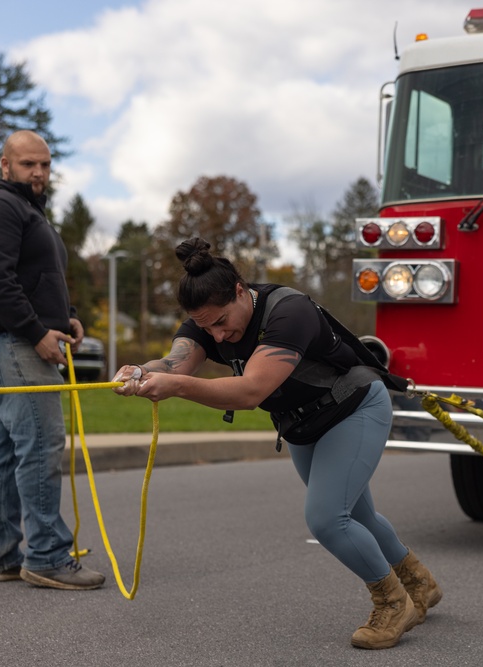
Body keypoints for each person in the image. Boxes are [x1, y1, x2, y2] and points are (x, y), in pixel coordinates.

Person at [111, 238, 442, 649]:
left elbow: (251, 391)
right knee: (359, 516)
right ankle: (421, 585)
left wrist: (175, 386)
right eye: (207, 326)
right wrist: (140, 371)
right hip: (302, 424)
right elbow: (176, 361)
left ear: (239, 290)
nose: (218, 333)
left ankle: (394, 603)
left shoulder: (289, 311)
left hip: (354, 409)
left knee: (326, 519)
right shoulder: (207, 317)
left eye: (221, 321)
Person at [0, 130, 105, 591]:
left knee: (4, 450)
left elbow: (37, 277)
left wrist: (69, 318)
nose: (38, 172)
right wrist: (37, 332)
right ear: (5, 165)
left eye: (44, 164)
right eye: (27, 165)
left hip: (9, 341)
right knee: (40, 445)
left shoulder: (25, 208)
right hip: (9, 343)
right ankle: (46, 556)